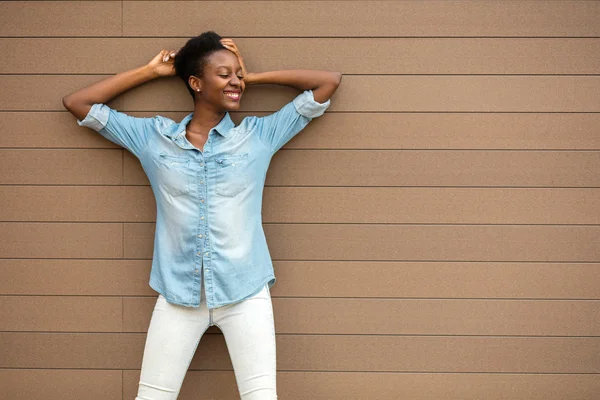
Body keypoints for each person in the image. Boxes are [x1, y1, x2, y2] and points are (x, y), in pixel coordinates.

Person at [62, 31, 341, 400]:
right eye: (223, 74)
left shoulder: (258, 135)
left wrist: (251, 77)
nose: (235, 81)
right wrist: (151, 71)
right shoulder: (153, 138)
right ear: (195, 83)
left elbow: (327, 83)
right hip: (178, 296)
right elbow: (78, 102)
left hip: (245, 293)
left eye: (237, 74)